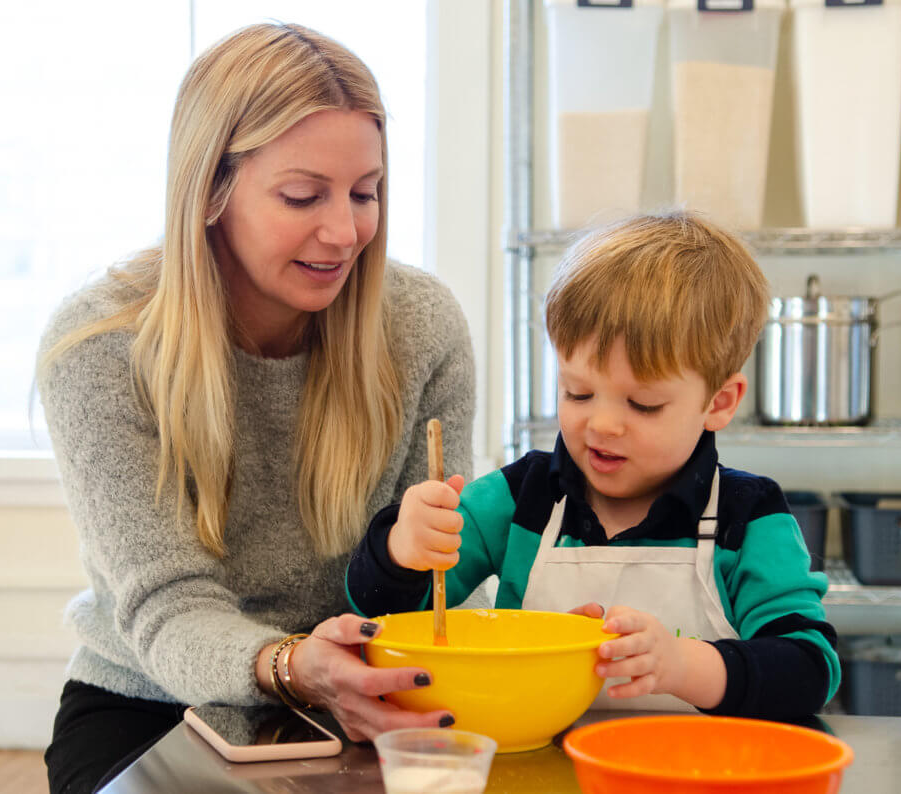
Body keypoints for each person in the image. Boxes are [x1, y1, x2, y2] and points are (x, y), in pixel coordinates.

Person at [37, 23, 477, 794]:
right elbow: (168, 607)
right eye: (302, 195)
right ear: (209, 189)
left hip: (366, 699)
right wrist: (292, 664)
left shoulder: (422, 327)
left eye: (365, 193)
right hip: (153, 704)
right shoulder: (99, 346)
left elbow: (437, 586)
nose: (345, 233)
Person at [347, 211, 840, 718]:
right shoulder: (520, 499)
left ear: (719, 402)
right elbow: (381, 614)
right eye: (577, 392)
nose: (602, 425)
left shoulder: (751, 518)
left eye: (643, 404)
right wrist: (401, 550)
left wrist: (684, 665)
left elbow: (810, 671)